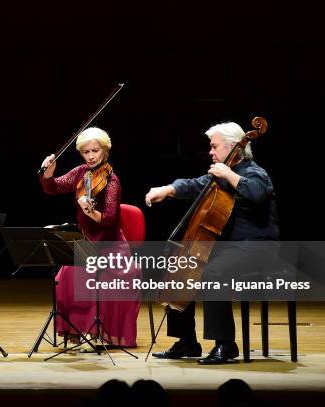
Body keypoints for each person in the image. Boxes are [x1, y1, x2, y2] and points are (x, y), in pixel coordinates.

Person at [145, 121, 279, 364]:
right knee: (178, 263)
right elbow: (193, 184)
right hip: (232, 247)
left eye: (214, 146)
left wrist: (228, 174)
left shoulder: (254, 172)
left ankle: (225, 344)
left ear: (233, 148)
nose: (211, 151)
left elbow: (259, 194)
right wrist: (167, 189)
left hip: (258, 247)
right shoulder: (220, 173)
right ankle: (187, 341)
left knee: (214, 271)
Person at [40, 127, 140, 348]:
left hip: (109, 245)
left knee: (109, 281)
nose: (91, 156)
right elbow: (53, 187)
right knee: (65, 279)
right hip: (85, 243)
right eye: (86, 152)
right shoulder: (80, 173)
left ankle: (102, 333)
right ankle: (75, 332)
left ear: (104, 151)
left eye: (95, 150)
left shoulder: (112, 180)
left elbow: (111, 219)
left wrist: (91, 212)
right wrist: (48, 173)